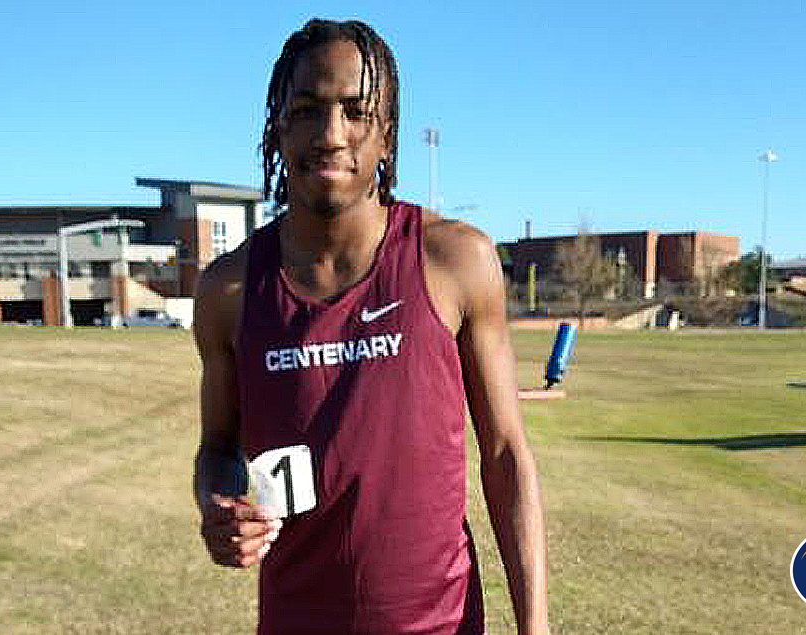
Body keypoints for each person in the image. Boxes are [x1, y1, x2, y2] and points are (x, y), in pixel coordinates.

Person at [192, 19, 549, 635]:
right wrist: (219, 508)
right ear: (278, 126)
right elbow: (218, 451)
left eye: (356, 112)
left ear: (387, 135)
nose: (331, 134)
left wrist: (534, 627)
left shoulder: (453, 262)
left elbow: (505, 454)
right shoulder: (228, 291)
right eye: (307, 110)